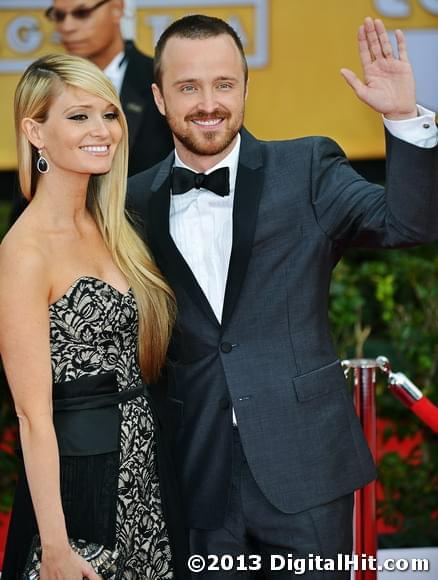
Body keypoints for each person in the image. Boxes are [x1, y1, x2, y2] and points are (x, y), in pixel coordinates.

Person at [127, 14, 438, 579]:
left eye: (223, 84)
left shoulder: (307, 168)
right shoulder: (128, 203)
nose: (208, 103)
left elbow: (409, 225)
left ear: (245, 87)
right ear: (159, 96)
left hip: (307, 469)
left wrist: (401, 118)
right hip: (194, 475)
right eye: (188, 86)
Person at [0, 53, 186, 579]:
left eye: (109, 114)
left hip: (147, 466)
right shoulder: (23, 253)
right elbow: (33, 418)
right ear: (35, 131)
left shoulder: (113, 226)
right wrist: (55, 547)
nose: (102, 130)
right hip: (81, 485)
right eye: (78, 116)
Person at [9, 0, 174, 224]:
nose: (67, 27)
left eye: (82, 13)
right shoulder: (44, 87)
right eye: (59, 16)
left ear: (117, 8)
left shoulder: (164, 82)